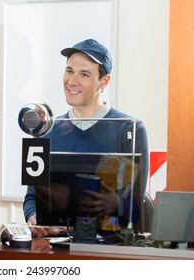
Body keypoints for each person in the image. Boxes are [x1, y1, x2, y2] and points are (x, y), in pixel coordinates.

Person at [23, 39, 149, 237]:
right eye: (69, 70)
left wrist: (115, 203)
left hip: (109, 251)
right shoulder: (46, 129)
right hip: (56, 250)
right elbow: (31, 198)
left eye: (84, 74)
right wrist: (34, 218)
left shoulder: (129, 129)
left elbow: (134, 206)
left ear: (104, 82)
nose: (72, 81)